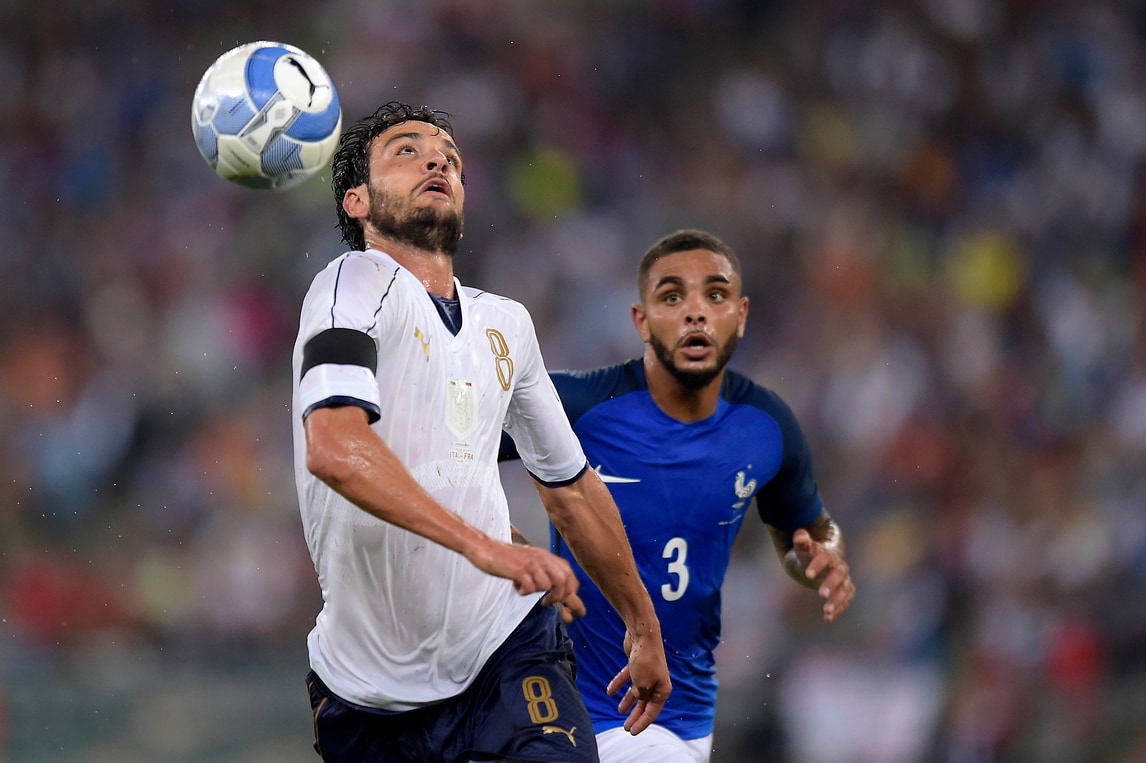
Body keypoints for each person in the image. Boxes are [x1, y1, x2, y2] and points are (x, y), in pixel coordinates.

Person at [290, 101, 671, 763]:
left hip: (505, 650)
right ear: (358, 200)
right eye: (406, 151)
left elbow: (571, 487)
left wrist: (642, 621)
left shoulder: (507, 325)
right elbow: (334, 447)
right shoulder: (350, 284)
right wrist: (483, 547)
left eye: (450, 158)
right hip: (366, 698)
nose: (436, 161)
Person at [500, 229, 856, 763]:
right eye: (672, 296)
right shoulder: (577, 406)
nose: (695, 312)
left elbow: (807, 533)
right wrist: (501, 542)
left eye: (714, 295)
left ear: (740, 315)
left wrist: (821, 558)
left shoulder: (766, 425)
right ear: (641, 320)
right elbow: (443, 452)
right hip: (579, 709)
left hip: (686, 717)